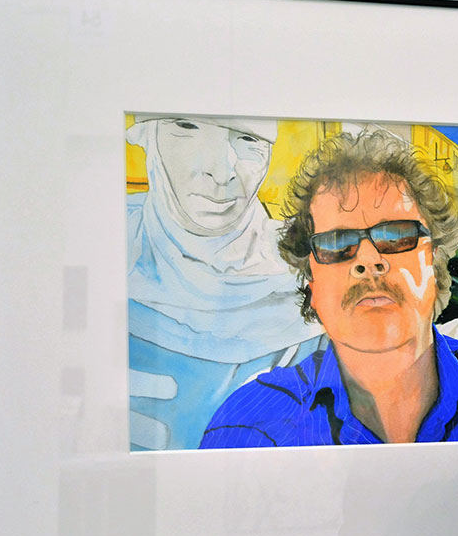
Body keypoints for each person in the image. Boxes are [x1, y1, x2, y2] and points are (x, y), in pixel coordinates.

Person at [200, 130, 458, 447]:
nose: (368, 260)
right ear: (311, 285)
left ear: (435, 264)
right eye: (337, 242)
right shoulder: (249, 427)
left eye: (396, 235)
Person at [126, 115, 323, 450]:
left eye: (248, 138)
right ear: (148, 137)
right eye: (186, 128)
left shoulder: (313, 267)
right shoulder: (99, 247)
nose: (221, 172)